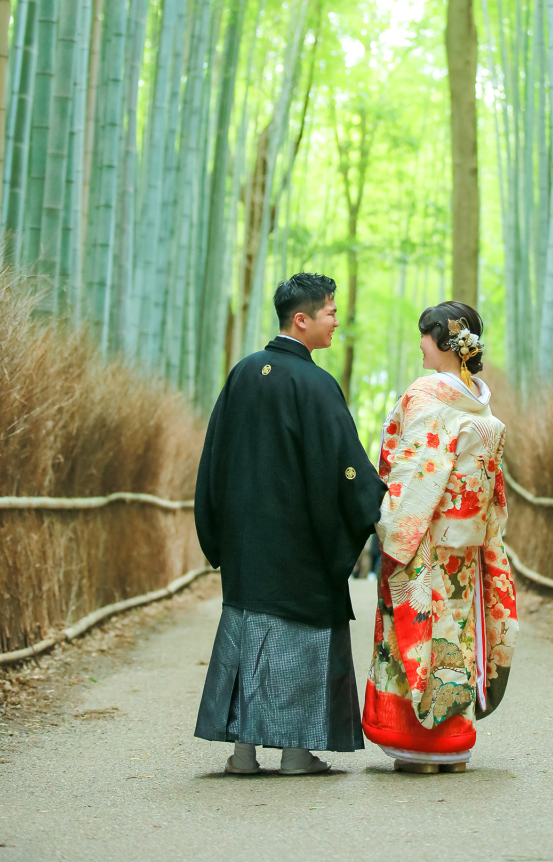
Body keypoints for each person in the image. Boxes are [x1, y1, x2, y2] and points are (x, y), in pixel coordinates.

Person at [194, 273, 387, 776]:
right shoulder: (315, 384)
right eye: (330, 312)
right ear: (301, 320)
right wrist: (377, 504)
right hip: (298, 544)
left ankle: (242, 753)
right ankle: (297, 753)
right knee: (299, 638)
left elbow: (213, 457)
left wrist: (215, 529)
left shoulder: (243, 373)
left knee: (247, 630)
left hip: (244, 540)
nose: (337, 321)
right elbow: (343, 463)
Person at [362, 301, 519, 774]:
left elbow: (402, 462)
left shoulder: (424, 394)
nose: (420, 346)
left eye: (424, 336)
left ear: (444, 343)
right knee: (459, 634)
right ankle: (454, 745)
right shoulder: (479, 401)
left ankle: (419, 748)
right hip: (467, 545)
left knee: (420, 630)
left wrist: (391, 521)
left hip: (425, 536)